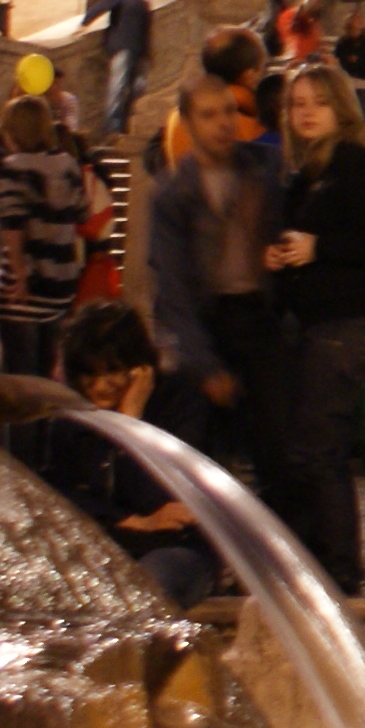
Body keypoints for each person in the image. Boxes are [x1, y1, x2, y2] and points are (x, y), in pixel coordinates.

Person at [263, 60, 365, 594]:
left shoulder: (353, 163)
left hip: (345, 323)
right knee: (313, 445)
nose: (306, 113)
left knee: (320, 446)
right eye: (297, 104)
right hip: (318, 320)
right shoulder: (308, 171)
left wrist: (319, 247)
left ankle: (339, 570)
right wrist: (281, 256)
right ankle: (326, 564)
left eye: (318, 103)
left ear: (340, 108)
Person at [8, 303, 215, 607]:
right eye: (88, 374)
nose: (99, 386)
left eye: (112, 371)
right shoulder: (73, 416)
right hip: (102, 544)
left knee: (146, 588)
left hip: (175, 549)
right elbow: (62, 493)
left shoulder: (180, 406)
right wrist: (130, 520)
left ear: (139, 367)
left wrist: (130, 423)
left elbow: (162, 501)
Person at [143, 60, 282, 492]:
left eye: (228, 111)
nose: (223, 124)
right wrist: (203, 363)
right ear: (188, 123)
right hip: (209, 322)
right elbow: (172, 283)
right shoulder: (173, 193)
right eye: (209, 115)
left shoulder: (264, 169)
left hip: (261, 322)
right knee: (203, 461)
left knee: (277, 456)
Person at [0, 96, 93, 381]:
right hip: (61, 283)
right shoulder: (67, 164)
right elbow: (83, 213)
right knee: (47, 373)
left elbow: (12, 225)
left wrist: (20, 273)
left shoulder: (12, 168)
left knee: (20, 378)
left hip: (26, 289)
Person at [95, 0, 154, 141]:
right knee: (118, 89)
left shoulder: (143, 3)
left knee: (137, 90)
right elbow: (100, 7)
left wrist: (149, 54)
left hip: (139, 52)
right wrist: (84, 23)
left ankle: (127, 127)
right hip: (122, 49)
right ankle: (112, 130)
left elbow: (146, 31)